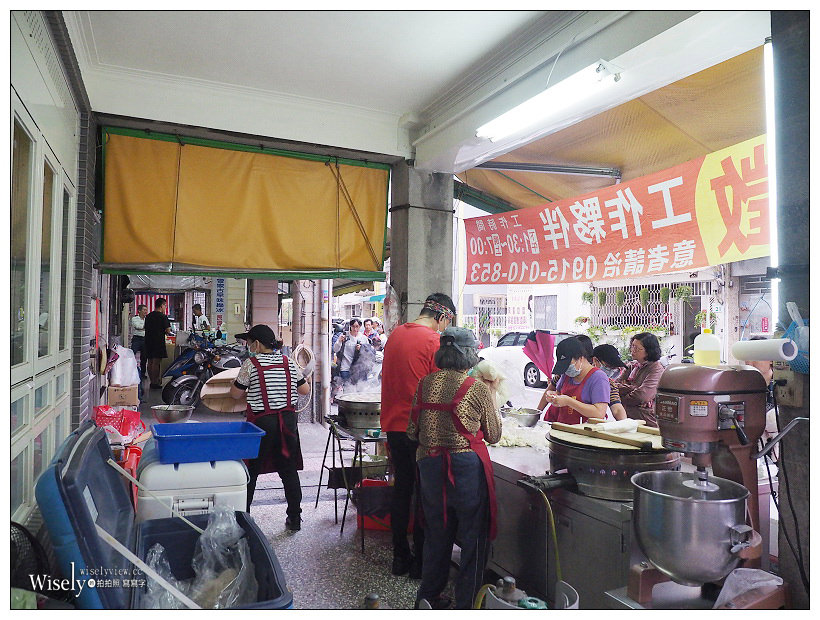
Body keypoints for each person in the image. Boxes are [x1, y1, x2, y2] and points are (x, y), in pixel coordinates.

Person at [407, 327, 501, 610]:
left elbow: (413, 432)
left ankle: (428, 598)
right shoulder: (476, 388)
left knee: (437, 533)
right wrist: (493, 396)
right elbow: (494, 434)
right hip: (465, 467)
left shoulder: (424, 384)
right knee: (474, 535)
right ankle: (466, 604)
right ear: (470, 354)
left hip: (429, 465)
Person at [380, 292, 456, 578]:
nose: (443, 330)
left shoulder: (396, 334)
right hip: (421, 430)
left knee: (402, 491)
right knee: (427, 496)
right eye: (445, 323)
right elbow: (443, 387)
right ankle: (422, 565)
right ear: (442, 316)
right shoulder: (432, 341)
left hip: (394, 427)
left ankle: (400, 557)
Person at [230, 324, 310, 530]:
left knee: (251, 472)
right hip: (287, 424)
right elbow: (304, 389)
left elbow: (235, 394)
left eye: (249, 342)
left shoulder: (250, 364)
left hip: (261, 426)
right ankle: (295, 518)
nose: (248, 346)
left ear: (256, 343)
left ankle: (244, 520)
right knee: (288, 471)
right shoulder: (288, 362)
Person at [543, 336, 613, 424]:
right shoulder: (567, 374)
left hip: (585, 433)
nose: (567, 369)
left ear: (581, 358)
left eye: (569, 364)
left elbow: (599, 413)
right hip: (563, 429)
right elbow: (559, 393)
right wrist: (553, 396)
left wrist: (569, 401)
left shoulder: (599, 378)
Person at [614, 332, 665, 426]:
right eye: (632, 346)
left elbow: (642, 396)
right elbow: (613, 387)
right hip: (626, 418)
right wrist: (634, 388)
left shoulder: (656, 369)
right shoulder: (631, 366)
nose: (632, 350)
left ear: (649, 350)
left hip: (646, 420)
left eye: (637, 348)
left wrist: (622, 394)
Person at [591, 344, 629, 421]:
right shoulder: (581, 377)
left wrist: (625, 424)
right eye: (609, 367)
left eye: (615, 368)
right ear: (595, 361)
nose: (612, 371)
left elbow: (617, 409)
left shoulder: (609, 383)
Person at [332, 318, 372, 386]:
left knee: (359, 389)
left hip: (359, 369)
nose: (355, 329)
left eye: (357, 326)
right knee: (347, 388)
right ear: (350, 326)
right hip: (345, 368)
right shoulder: (344, 336)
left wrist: (361, 348)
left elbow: (368, 353)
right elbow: (335, 350)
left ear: (360, 327)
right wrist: (339, 341)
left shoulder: (364, 338)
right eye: (353, 326)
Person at [144, 298, 172, 389]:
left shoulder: (148, 316)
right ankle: (155, 382)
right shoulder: (163, 317)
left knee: (150, 362)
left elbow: (145, 327)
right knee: (156, 362)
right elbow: (168, 331)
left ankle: (151, 381)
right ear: (161, 306)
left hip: (148, 341)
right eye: (165, 306)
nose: (165, 308)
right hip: (158, 341)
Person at [131, 304, 148, 379]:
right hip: (137, 339)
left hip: (145, 339)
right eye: (144, 310)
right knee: (132, 354)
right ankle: (131, 371)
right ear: (139, 311)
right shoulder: (135, 319)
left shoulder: (147, 319)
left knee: (144, 357)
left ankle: (143, 373)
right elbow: (138, 327)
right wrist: (145, 327)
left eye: (146, 310)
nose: (145, 311)